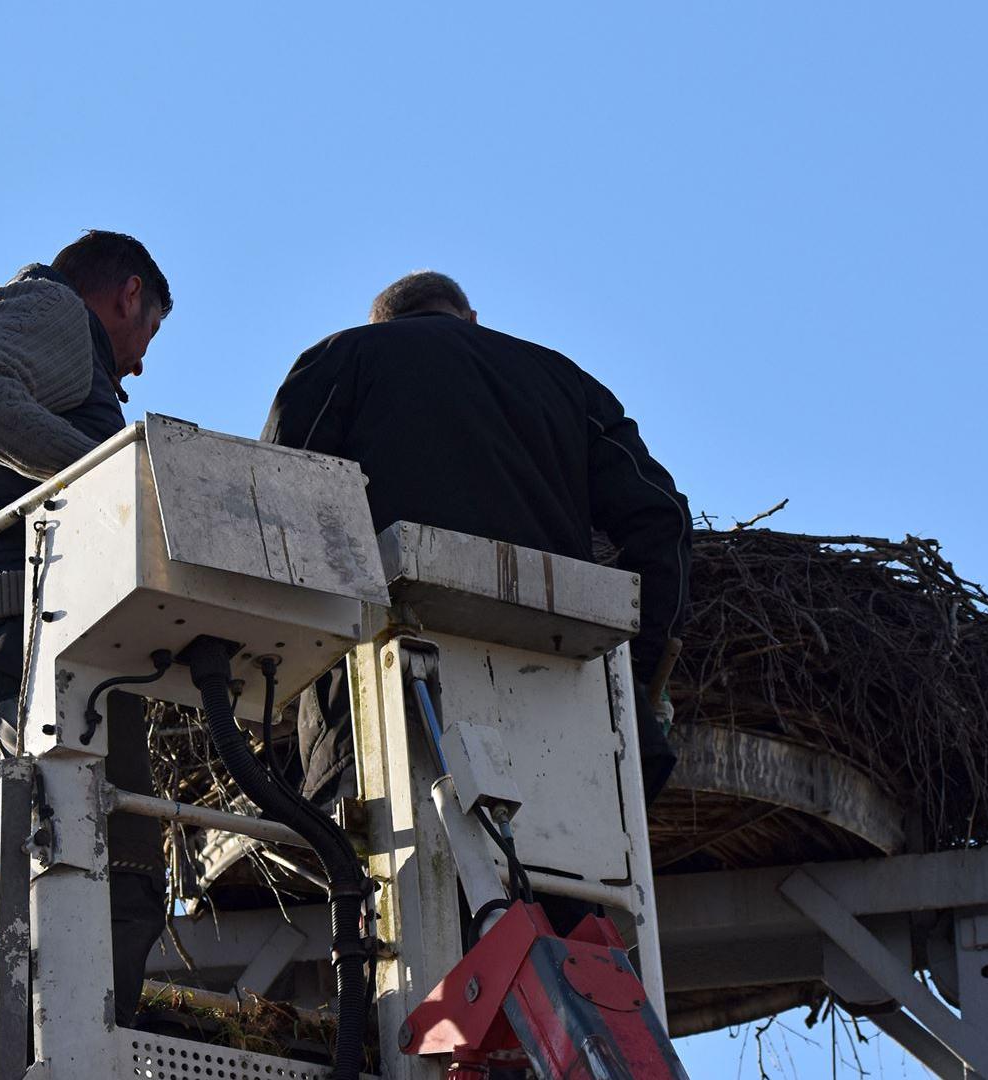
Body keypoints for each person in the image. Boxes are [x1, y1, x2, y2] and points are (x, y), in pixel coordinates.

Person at [261, 270, 690, 805]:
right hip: (569, 716)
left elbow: (274, 510)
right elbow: (662, 517)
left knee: (382, 875)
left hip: (380, 708)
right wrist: (639, 672)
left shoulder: (343, 357)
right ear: (472, 320)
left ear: (380, 325)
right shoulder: (566, 381)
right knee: (570, 881)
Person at [0, 230, 171, 1078]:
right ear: (128, 295)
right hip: (31, 634)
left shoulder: (21, 324)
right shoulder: (54, 312)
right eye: (148, 336)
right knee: (114, 877)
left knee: (10, 892)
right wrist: (109, 478)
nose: (135, 369)